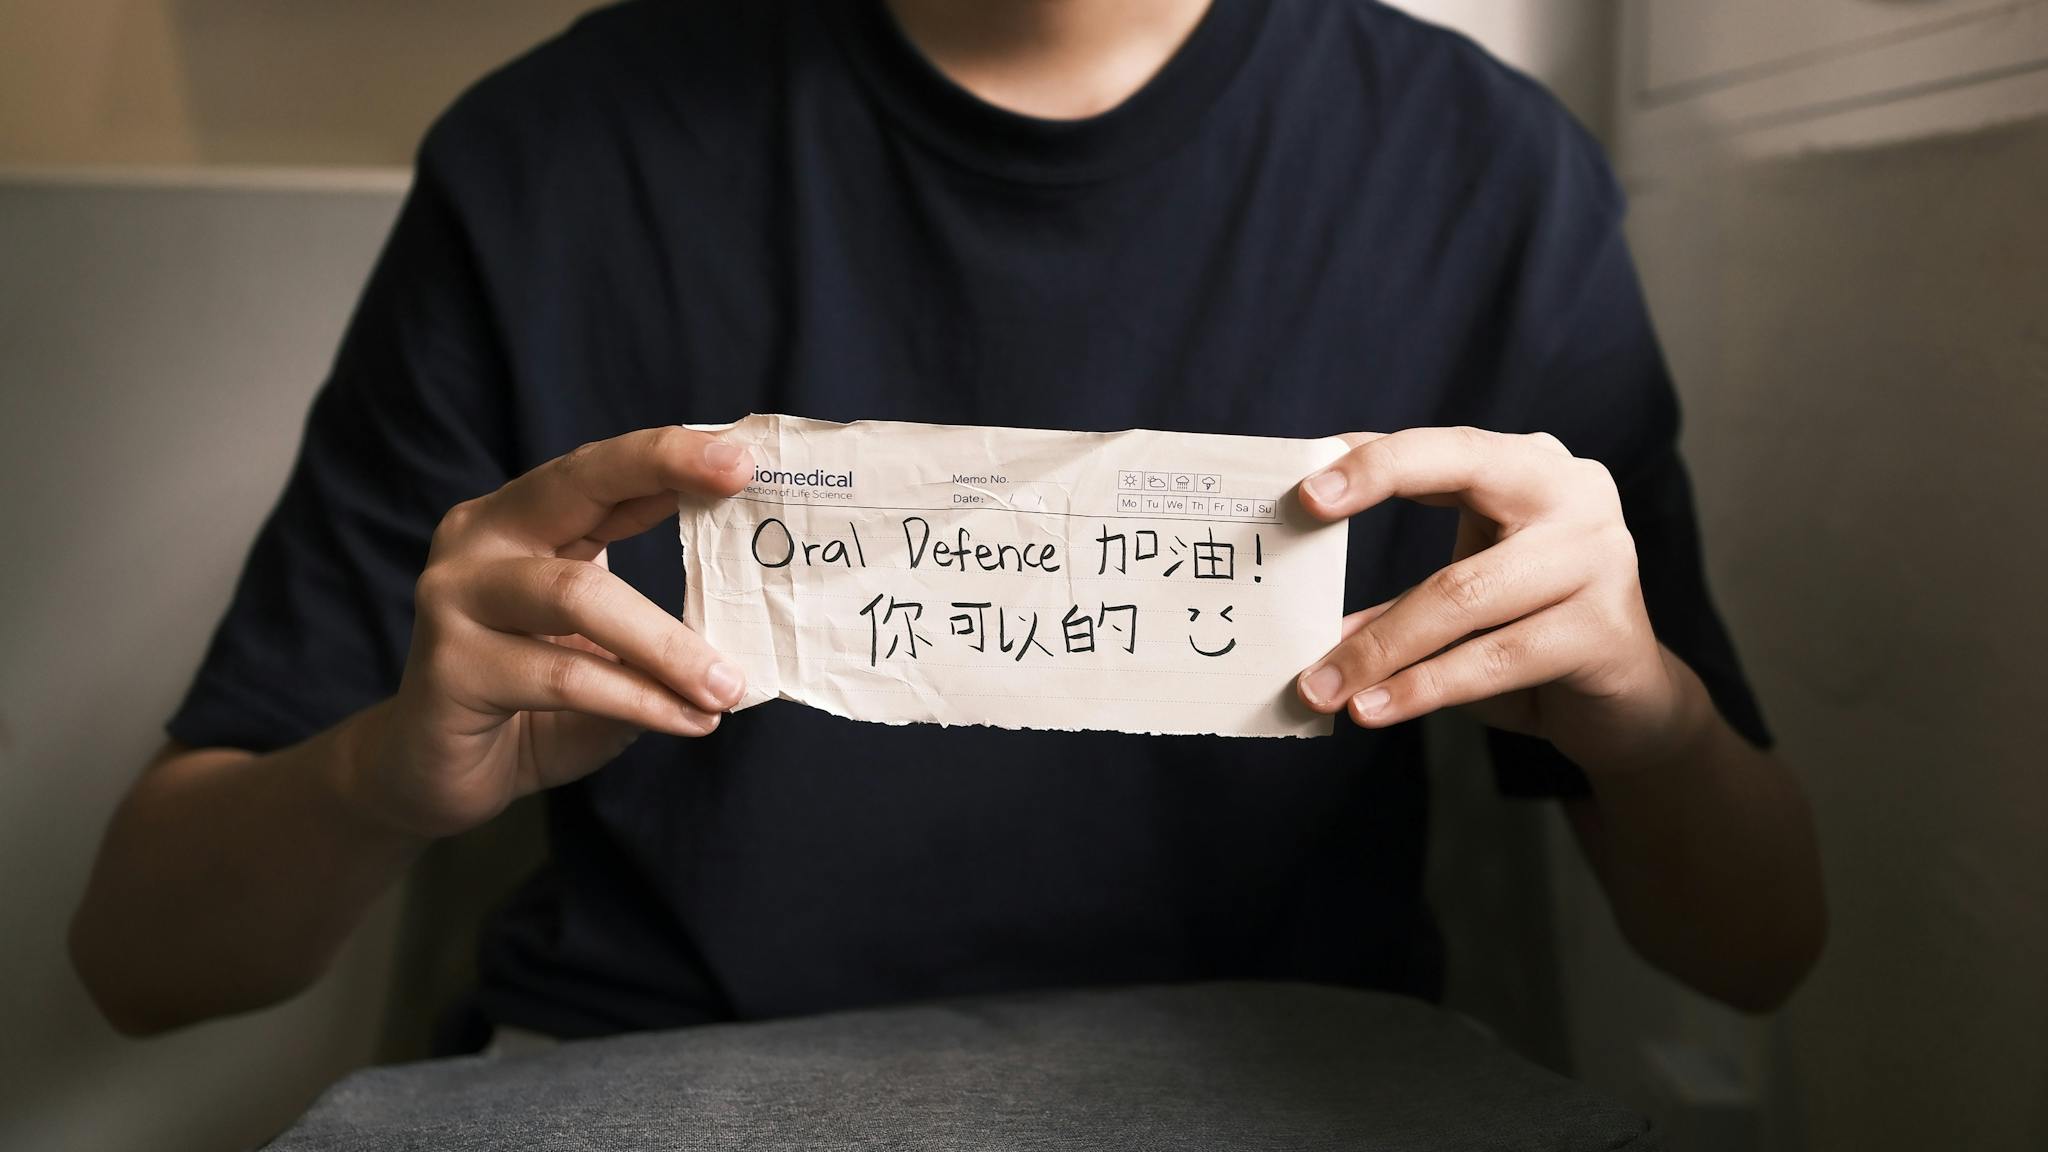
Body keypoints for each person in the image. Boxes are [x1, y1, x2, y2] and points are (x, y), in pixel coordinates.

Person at [70, 0, 1824, 1042]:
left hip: (1291, 1091)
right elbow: (146, 956)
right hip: (643, 1082)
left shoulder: (1485, 175)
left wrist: (1644, 716)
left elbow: (1751, 948)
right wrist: (387, 774)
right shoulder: (553, 162)